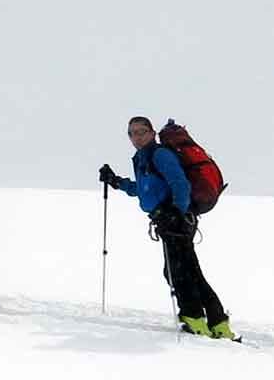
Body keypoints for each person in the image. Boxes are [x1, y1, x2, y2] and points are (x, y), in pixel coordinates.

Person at [100, 116, 235, 340]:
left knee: (180, 271)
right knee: (187, 270)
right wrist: (116, 182)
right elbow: (144, 190)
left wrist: (176, 213)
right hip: (167, 220)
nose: (137, 136)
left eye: (141, 131)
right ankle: (217, 323)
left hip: (177, 221)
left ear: (152, 133)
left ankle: (195, 320)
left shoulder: (160, 154)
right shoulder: (142, 158)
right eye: (132, 133)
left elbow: (180, 184)